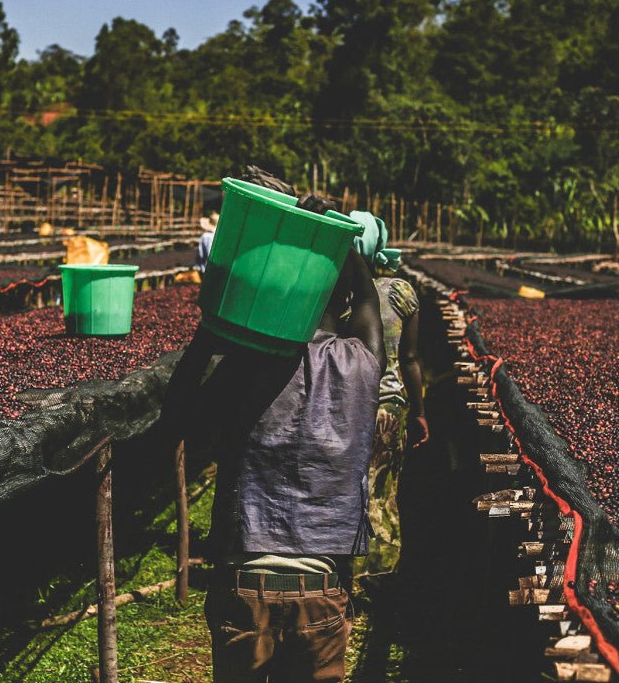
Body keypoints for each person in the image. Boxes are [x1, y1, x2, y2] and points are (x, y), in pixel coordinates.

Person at [163, 193, 385, 683]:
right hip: (322, 588)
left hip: (246, 583)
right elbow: (369, 302)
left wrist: (214, 326)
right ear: (343, 301)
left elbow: (177, 415)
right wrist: (342, 241)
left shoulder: (247, 365)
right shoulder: (362, 366)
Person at [346, 212, 428, 588]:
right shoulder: (402, 292)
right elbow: (410, 359)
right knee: (383, 489)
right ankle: (381, 575)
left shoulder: (339, 290)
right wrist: (420, 410)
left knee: (349, 485)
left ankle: (345, 569)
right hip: (389, 406)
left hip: (348, 404)